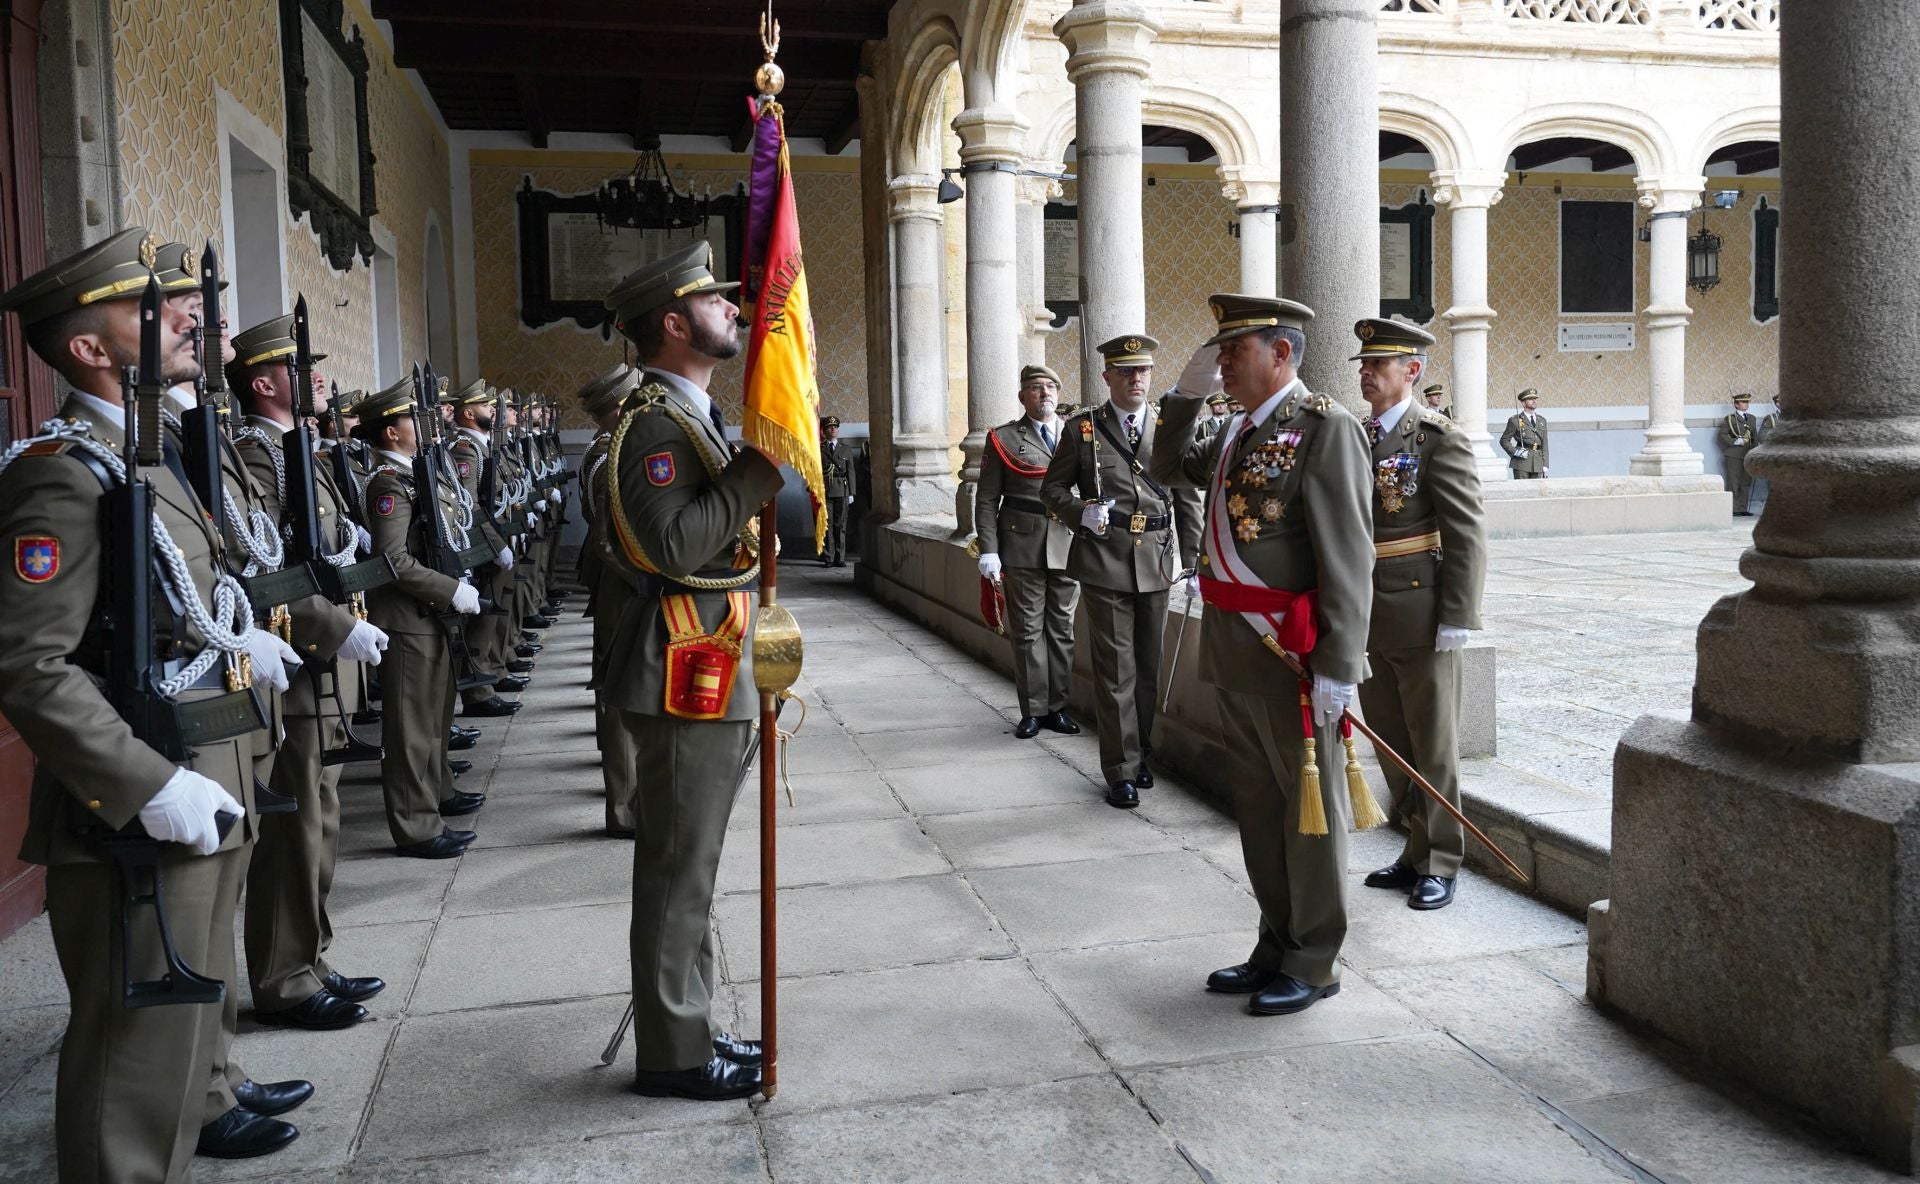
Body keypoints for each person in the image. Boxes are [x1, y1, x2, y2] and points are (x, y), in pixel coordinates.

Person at [0, 227, 314, 1176]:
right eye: (151, 307)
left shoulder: (152, 452)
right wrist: (144, 785)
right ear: (91, 351)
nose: (186, 315)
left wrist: (240, 635)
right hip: (134, 787)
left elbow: (186, 591)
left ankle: (199, 1117)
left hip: (200, 747)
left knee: (182, 1025)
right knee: (132, 1065)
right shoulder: (61, 474)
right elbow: (29, 663)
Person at [1149, 294, 1374, 1018]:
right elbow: (1167, 466)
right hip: (1237, 649)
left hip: (1292, 656)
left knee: (1308, 814)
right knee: (1260, 810)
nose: (1222, 363)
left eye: (1234, 351)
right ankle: (1275, 940)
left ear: (1281, 353)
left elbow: (1348, 555)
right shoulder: (1233, 430)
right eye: (1219, 352)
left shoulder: (1323, 427)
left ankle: (1315, 958)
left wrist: (1341, 665)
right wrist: (1184, 397)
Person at [600, 239, 783, 1101]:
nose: (734, 311)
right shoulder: (652, 426)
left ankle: (690, 1026)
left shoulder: (691, 415)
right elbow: (672, 546)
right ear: (673, 325)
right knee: (677, 871)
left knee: (693, 868)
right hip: (682, 669)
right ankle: (673, 1055)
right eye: (714, 302)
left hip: (709, 659)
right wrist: (757, 472)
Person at [225, 314, 394, 1028]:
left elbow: (317, 546)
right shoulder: (259, 456)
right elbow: (273, 567)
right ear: (264, 382)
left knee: (320, 825)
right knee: (295, 832)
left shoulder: (299, 450)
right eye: (301, 368)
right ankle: (283, 976)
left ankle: (311, 957)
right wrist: (339, 626)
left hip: (322, 669)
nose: (318, 379)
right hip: (297, 665)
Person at [1348, 319, 1487, 912]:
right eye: (1363, 365)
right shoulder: (1353, 436)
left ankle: (1442, 859)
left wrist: (1459, 614)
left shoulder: (1436, 438)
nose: (1366, 374)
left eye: (1378, 365)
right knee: (1393, 741)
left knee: (1432, 743)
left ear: (1413, 371)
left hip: (1422, 608)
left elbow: (1466, 532)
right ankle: (1413, 848)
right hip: (1368, 613)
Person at [1040, 335, 1202, 808]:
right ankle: (1120, 770)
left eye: (1144, 371)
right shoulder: (1083, 428)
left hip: (1155, 559)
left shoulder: (1170, 426)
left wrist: (1192, 563)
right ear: (1108, 376)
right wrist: (1079, 513)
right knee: (1115, 674)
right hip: (1104, 560)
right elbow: (1052, 490)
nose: (1136, 379)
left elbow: (1187, 499)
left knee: (1147, 670)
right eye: (1126, 372)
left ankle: (1141, 754)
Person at [356, 379, 486, 858]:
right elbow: (392, 558)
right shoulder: (389, 485)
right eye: (414, 418)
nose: (426, 425)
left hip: (430, 614)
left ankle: (438, 795)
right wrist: (450, 589)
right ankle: (415, 826)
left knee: (435, 719)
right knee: (411, 728)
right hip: (407, 616)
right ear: (391, 432)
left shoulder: (414, 476)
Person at [976, 364, 1080, 740]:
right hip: (1021, 544)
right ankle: (1034, 710)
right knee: (1028, 632)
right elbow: (987, 499)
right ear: (1023, 396)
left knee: (1063, 630)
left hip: (1068, 543)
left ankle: (1058, 707)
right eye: (1036, 388)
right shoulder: (1003, 438)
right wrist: (989, 549)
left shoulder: (1077, 435)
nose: (1045, 394)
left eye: (1051, 387)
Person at [576, 363, 644, 837]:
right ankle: (624, 809)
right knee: (619, 695)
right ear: (621, 408)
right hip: (622, 587)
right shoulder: (610, 456)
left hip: (620, 584)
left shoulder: (611, 449)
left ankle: (632, 799)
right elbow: (608, 539)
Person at [445, 379, 525, 717]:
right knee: (482, 619)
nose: (493, 409)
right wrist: (494, 546)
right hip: (482, 544)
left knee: (496, 612)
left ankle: (492, 670)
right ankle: (478, 691)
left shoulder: (482, 445)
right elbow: (470, 504)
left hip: (497, 536)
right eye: (484, 405)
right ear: (468, 412)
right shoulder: (465, 449)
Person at [819, 415, 855, 566]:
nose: (833, 429)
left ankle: (840, 558)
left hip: (842, 490)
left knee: (840, 526)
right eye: (829, 427)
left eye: (835, 427)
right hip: (825, 491)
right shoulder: (818, 449)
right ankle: (828, 557)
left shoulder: (846, 449)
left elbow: (851, 472)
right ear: (824, 431)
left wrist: (852, 493)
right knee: (827, 525)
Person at [1719, 392, 1761, 516]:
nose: (1746, 404)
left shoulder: (1752, 418)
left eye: (1747, 402)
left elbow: (1754, 436)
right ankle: (1734, 508)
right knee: (1734, 482)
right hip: (1734, 455)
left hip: (1748, 454)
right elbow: (1722, 435)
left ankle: (1742, 508)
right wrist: (1735, 441)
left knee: (1745, 482)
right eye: (1743, 402)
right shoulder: (1730, 419)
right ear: (1736, 405)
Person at [1500, 388, 1549, 478]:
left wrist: (1545, 464)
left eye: (1535, 399)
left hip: (1538, 463)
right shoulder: (1515, 420)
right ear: (1523, 403)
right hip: (1521, 463)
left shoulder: (1542, 421)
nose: (1534, 401)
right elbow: (1504, 440)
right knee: (1522, 490)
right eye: (1530, 399)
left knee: (1537, 491)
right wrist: (1516, 452)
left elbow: (1545, 444)